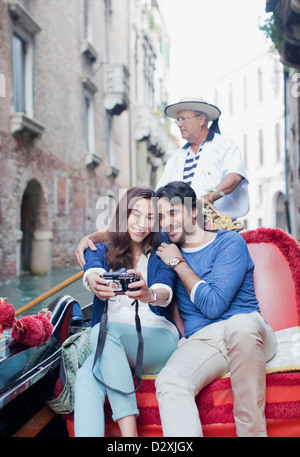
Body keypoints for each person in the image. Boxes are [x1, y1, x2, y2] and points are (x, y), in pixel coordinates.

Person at [154, 181, 277, 437]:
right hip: (204, 341)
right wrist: (90, 239)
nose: (167, 222)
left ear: (194, 211)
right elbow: (122, 234)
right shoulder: (165, 246)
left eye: (173, 213)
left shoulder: (229, 242)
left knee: (238, 326)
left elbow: (213, 305)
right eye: (161, 217)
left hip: (248, 331)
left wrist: (177, 262)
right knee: (169, 381)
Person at [74, 186, 179, 437]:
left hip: (158, 339)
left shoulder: (161, 248)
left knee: (103, 332)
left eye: (150, 217)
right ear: (124, 215)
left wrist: (149, 294)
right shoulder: (100, 249)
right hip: (112, 342)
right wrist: (96, 282)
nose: (142, 224)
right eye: (135, 214)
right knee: (85, 377)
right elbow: (92, 270)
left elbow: (164, 289)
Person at [156, 97, 249, 220]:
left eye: (183, 119)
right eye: (178, 120)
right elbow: (161, 190)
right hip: (183, 227)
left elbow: (235, 176)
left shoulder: (224, 145)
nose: (179, 124)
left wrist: (211, 196)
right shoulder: (176, 156)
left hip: (218, 225)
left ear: (201, 120)